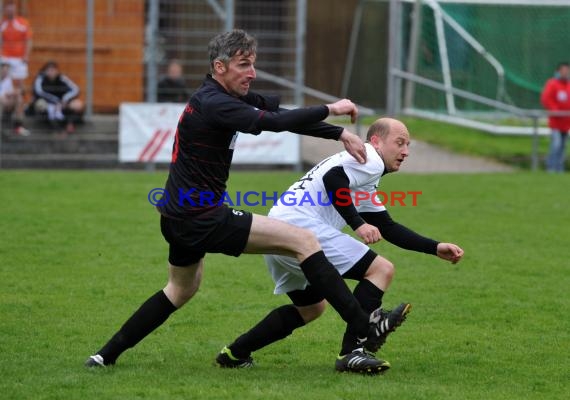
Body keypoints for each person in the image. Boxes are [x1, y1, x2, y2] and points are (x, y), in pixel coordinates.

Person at [85, 29, 400, 369]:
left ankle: (104, 356)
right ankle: (362, 325)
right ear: (219, 67)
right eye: (244, 65)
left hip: (176, 217)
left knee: (180, 290)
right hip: (202, 216)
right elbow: (275, 124)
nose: (252, 73)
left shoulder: (222, 96)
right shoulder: (216, 103)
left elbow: (283, 115)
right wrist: (332, 110)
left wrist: (338, 133)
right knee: (304, 240)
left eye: (253, 64)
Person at [215, 118, 464, 374]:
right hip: (301, 227)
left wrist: (434, 247)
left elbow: (387, 227)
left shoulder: (361, 173)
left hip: (277, 229)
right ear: (376, 141)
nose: (405, 151)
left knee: (311, 308)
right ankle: (352, 352)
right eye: (399, 143)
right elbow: (334, 179)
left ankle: (235, 353)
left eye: (408, 145)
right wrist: (357, 224)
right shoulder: (369, 158)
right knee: (381, 269)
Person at [0, 1, 32, 136]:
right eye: (7, 6)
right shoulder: (2, 24)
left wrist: (26, 55)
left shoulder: (23, 23)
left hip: (18, 58)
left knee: (18, 90)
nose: (10, 8)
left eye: (12, 5)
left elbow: (28, 40)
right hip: (5, 57)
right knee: (4, 84)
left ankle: (18, 122)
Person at [31, 61, 84, 133]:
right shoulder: (40, 79)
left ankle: (70, 123)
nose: (51, 72)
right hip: (48, 102)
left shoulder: (62, 78)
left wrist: (65, 99)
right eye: (49, 70)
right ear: (45, 71)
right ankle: (48, 125)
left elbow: (76, 89)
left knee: (78, 104)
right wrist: (56, 101)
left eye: (53, 70)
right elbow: (39, 92)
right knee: (41, 104)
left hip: (63, 103)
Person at [541, 62, 570, 173]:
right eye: (564, 71)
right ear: (558, 71)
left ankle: (559, 168)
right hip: (556, 122)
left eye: (567, 71)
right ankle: (551, 168)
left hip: (566, 123)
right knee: (556, 145)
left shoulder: (568, 85)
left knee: (563, 147)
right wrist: (555, 110)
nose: (566, 73)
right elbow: (546, 99)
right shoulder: (552, 84)